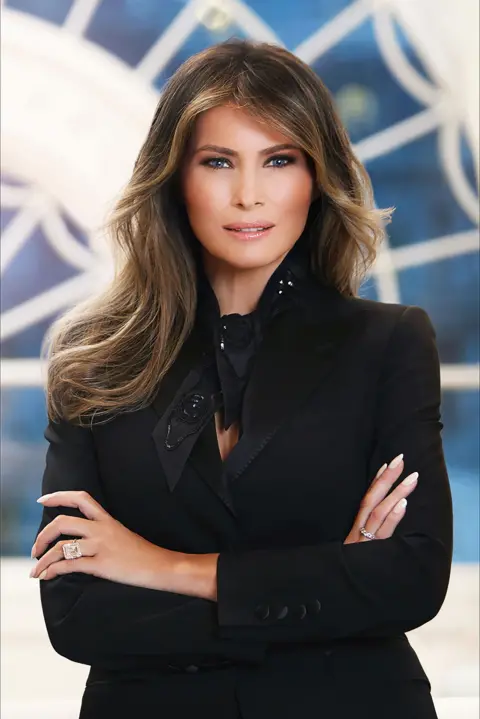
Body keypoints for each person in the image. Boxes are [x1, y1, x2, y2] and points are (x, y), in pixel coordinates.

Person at [30, 39, 453, 719]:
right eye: (218, 161)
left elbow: (410, 580)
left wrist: (158, 566)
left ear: (316, 177)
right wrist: (324, 583)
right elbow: (77, 613)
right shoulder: (93, 360)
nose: (249, 194)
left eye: (279, 160)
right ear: (175, 177)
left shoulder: (390, 343)